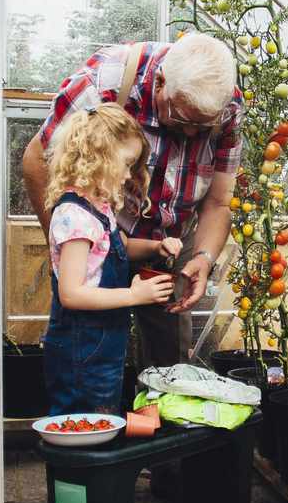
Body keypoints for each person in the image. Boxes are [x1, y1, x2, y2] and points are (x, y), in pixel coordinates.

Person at [23, 32, 242, 373]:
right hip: (101, 233)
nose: (191, 135)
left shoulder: (224, 104)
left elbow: (218, 202)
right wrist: (67, 245)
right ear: (161, 82)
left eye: (204, 127)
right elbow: (37, 160)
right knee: (90, 349)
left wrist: (203, 256)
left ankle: (157, 420)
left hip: (166, 244)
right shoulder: (104, 82)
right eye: (184, 121)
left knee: (168, 362)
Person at [40, 104, 183, 416]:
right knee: (82, 422)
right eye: (127, 163)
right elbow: (71, 293)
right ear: (99, 158)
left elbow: (120, 247)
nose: (130, 173)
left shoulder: (98, 207)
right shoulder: (75, 217)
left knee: (101, 419)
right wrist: (134, 295)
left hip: (101, 347)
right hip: (81, 351)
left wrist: (156, 248)